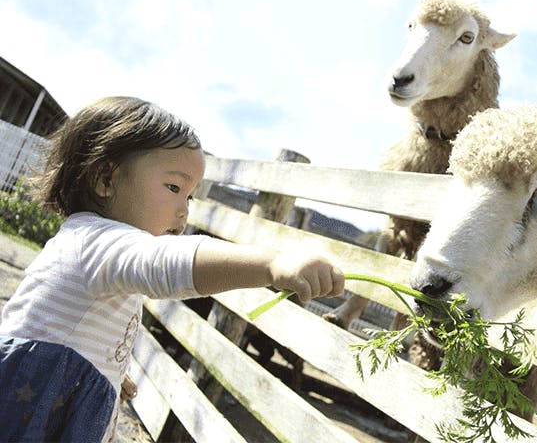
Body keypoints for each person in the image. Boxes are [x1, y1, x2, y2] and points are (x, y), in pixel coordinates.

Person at [0, 96, 345, 442]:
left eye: (190, 197)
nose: (184, 211)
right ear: (105, 179)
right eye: (174, 188)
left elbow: (72, 333)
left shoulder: (97, 246)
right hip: (29, 402)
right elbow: (166, 262)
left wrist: (102, 370)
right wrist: (272, 263)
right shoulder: (98, 240)